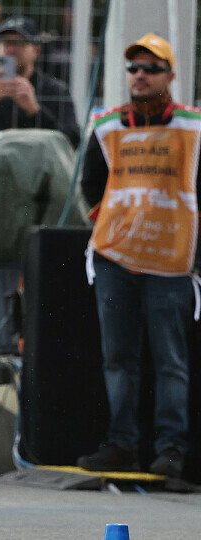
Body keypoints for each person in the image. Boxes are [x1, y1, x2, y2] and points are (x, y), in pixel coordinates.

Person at [76, 33, 199, 480]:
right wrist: (110, 224)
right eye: (134, 68)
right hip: (116, 258)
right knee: (118, 357)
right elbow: (90, 184)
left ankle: (171, 451)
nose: (140, 75)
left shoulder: (192, 126)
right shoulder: (108, 125)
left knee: (171, 361)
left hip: (170, 262)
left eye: (151, 68)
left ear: (170, 75)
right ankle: (122, 444)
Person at [0, 16, 80, 147]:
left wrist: (35, 111)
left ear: (36, 50)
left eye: (20, 43)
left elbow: (72, 141)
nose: (10, 50)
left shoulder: (55, 90)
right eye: (5, 42)